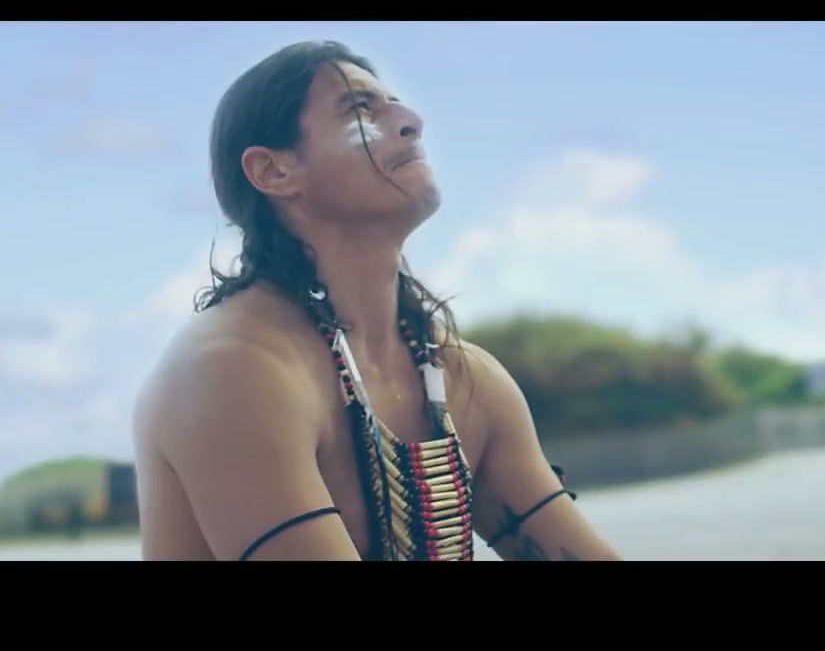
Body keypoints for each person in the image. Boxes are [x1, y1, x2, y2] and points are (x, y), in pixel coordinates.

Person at [131, 40, 622, 562]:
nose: (411, 121)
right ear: (274, 172)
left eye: (396, 104)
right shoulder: (231, 369)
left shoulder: (464, 380)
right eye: (359, 109)